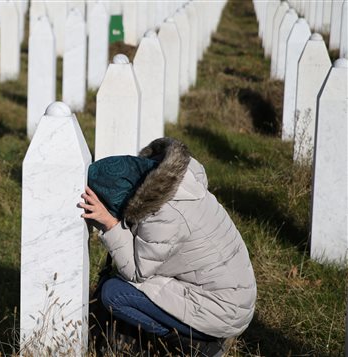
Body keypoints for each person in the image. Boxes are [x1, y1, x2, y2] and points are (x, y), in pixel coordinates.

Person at [80, 137, 257, 355]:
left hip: (222, 310)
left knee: (114, 294)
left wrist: (110, 224)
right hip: (229, 295)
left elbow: (136, 272)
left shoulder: (163, 215)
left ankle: (199, 345)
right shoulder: (178, 183)